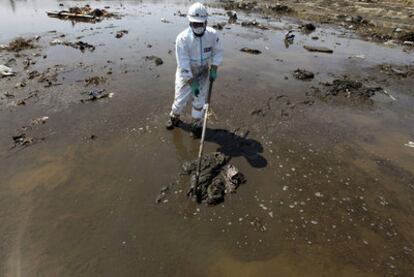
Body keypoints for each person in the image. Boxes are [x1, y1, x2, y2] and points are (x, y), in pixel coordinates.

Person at [166, 2, 223, 138]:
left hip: (203, 71)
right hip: (186, 72)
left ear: (206, 22)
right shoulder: (182, 39)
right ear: (189, 22)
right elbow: (183, 63)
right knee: (180, 99)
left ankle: (196, 124)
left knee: (199, 99)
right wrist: (191, 82)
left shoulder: (213, 35)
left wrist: (214, 67)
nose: (197, 27)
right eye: (194, 24)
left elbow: (218, 51)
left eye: (199, 24)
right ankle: (174, 116)